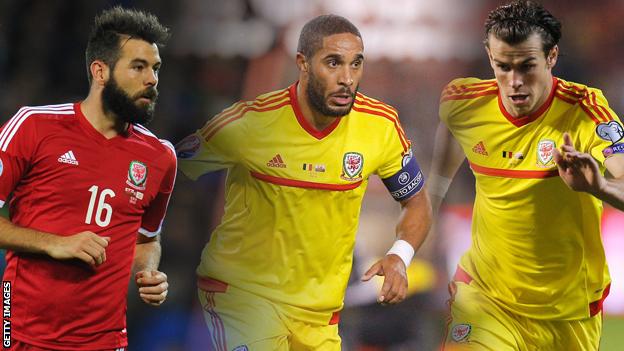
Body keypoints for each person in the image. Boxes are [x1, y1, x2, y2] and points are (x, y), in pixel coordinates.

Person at [176, 14, 432, 350]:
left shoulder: (380, 127)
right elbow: (168, 162)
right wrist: (146, 237)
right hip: (245, 296)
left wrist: (400, 256)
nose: (347, 78)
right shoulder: (252, 122)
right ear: (303, 64)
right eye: (333, 63)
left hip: (320, 315)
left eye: (356, 65)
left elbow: (417, 203)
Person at [430, 1, 623, 349]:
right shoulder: (464, 102)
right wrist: (425, 216)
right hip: (487, 298)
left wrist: (600, 187)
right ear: (490, 57)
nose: (514, 81)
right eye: (503, 67)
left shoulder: (588, 113)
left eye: (527, 66)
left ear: (551, 57)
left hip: (567, 310)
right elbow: (445, 155)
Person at [0, 7, 176, 350]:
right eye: (138, 67)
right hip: (18, 332)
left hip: (105, 341)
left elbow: (147, 239)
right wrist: (55, 242)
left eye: (155, 69)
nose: (152, 79)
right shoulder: (33, 127)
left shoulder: (160, 157)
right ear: (100, 71)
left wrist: (148, 273)